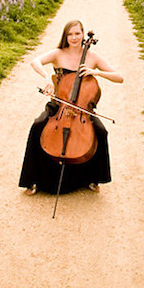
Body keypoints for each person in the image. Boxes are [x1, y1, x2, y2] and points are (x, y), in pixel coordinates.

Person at [19, 20, 123, 195]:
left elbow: (119, 77)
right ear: (65, 36)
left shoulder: (92, 57)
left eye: (77, 33)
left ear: (83, 35)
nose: (74, 37)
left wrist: (97, 72)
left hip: (82, 109)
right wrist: (46, 77)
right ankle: (32, 180)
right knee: (38, 125)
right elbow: (35, 61)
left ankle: (94, 178)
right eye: (70, 34)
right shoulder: (58, 53)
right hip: (59, 105)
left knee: (101, 131)